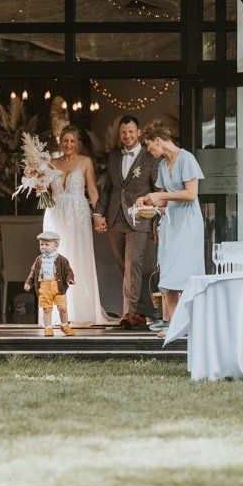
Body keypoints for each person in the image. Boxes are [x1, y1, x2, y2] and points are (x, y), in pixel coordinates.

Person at [136, 120, 206, 340]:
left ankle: (195, 322)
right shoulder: (162, 165)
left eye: (149, 146)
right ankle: (176, 325)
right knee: (166, 276)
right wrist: (148, 201)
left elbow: (191, 194)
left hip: (188, 223)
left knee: (185, 273)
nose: (149, 151)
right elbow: (165, 199)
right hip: (171, 223)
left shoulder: (186, 158)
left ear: (158, 140)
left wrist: (161, 195)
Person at [92, 115, 160, 330]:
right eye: (123, 132)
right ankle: (138, 311)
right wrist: (98, 213)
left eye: (131, 131)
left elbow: (157, 190)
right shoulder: (113, 156)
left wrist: (157, 223)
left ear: (138, 132)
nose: (127, 135)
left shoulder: (150, 157)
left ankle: (128, 314)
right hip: (115, 219)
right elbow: (108, 189)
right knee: (125, 267)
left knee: (133, 266)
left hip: (139, 220)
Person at [42, 125, 112, 327]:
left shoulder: (85, 162)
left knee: (78, 258)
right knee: (55, 260)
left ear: (78, 143)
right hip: (55, 214)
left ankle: (80, 310)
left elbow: (92, 190)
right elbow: (45, 192)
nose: (68, 144)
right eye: (65, 140)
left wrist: (98, 215)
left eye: (72, 141)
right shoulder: (51, 163)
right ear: (60, 142)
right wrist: (37, 183)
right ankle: (57, 314)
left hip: (78, 215)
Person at [25, 231, 76, 337]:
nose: (43, 247)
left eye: (47, 244)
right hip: (44, 286)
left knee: (62, 308)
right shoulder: (39, 259)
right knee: (47, 308)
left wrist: (70, 279)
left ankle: (64, 325)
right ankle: (48, 328)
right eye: (41, 244)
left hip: (58, 286)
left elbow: (68, 271)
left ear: (56, 246)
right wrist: (29, 282)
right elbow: (33, 272)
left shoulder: (61, 259)